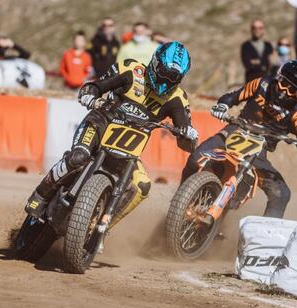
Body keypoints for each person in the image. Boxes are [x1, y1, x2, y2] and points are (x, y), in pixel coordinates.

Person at [25, 42, 199, 228]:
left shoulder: (177, 98)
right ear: (155, 63)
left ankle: (102, 226)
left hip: (129, 149)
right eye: (164, 73)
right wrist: (89, 95)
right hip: (99, 123)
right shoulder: (131, 70)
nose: (166, 81)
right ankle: (40, 195)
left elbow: (186, 140)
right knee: (79, 157)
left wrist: (189, 135)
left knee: (142, 186)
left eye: (174, 78)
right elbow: (96, 86)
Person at [181, 60, 297, 219]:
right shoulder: (261, 84)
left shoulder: (296, 111)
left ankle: (264, 235)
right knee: (195, 158)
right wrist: (223, 106)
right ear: (278, 77)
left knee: (282, 194)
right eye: (284, 83)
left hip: (259, 150)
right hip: (234, 130)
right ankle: (180, 203)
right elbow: (233, 96)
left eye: (293, 89)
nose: (285, 91)